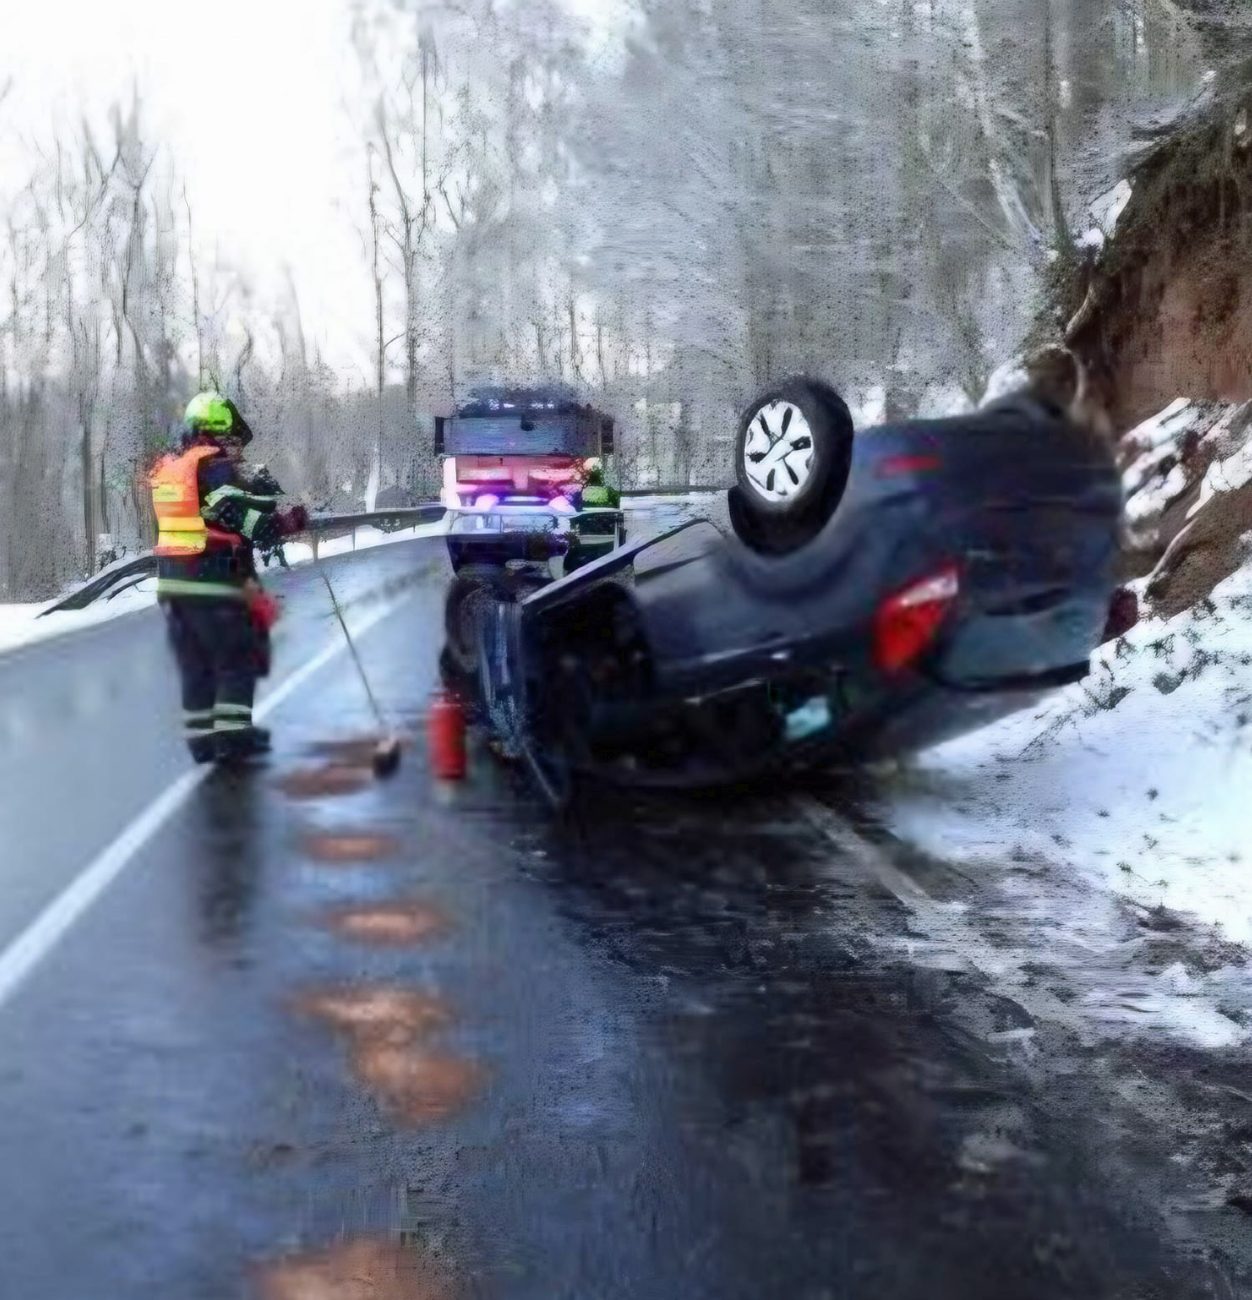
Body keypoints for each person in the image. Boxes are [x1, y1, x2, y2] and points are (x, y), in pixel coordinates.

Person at [150, 392, 308, 763]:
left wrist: (256, 495)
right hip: (213, 582)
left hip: (174, 587)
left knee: (196, 666)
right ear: (215, 433)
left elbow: (202, 516)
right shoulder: (214, 467)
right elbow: (240, 517)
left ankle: (202, 741)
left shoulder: (174, 468)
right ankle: (234, 738)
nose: (238, 449)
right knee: (240, 658)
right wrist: (281, 523)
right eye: (234, 440)